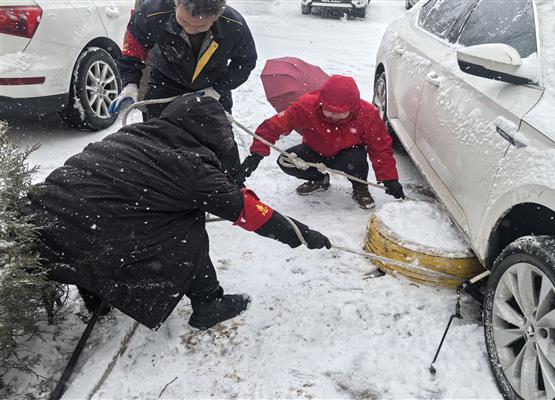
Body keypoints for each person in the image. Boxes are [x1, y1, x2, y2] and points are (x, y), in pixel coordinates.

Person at [24, 94, 330, 331]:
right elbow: (250, 212)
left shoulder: (131, 135)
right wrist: (302, 234)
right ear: (214, 135)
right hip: (95, 238)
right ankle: (208, 304)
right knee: (185, 222)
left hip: (42, 227)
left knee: (88, 220)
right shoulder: (192, 168)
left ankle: (97, 298)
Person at [235, 75, 405, 209]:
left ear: (353, 108)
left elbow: (380, 147)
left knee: (357, 160)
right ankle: (319, 180)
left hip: (347, 153)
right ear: (321, 102)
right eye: (329, 111)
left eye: (340, 113)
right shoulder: (306, 106)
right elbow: (272, 126)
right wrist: (257, 154)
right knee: (286, 160)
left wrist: (389, 178)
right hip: (314, 151)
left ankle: (360, 187)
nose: (333, 116)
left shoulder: (367, 114)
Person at [109, 0, 257, 119]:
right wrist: (130, 84)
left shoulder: (234, 25)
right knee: (157, 136)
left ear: (216, 17)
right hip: (165, 83)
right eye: (183, 21)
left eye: (200, 26)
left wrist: (217, 90)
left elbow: (246, 62)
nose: (189, 29)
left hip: (212, 85)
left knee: (215, 139)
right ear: (176, 3)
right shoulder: (153, 13)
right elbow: (133, 48)